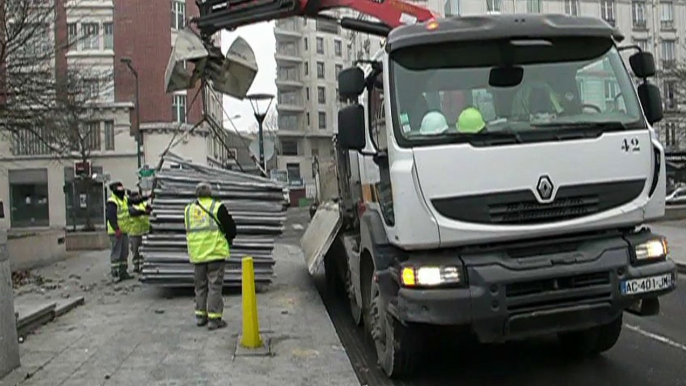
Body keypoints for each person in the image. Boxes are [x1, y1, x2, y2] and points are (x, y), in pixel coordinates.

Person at [184, 182, 237, 330]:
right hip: (215, 253)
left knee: (200, 287)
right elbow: (231, 228)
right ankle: (214, 319)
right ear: (210, 193)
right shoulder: (217, 207)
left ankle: (200, 317)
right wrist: (229, 238)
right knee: (214, 287)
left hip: (197, 255)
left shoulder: (188, 210)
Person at [105, 181, 150, 282]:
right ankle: (116, 273)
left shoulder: (124, 199)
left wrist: (147, 197)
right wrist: (116, 229)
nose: (122, 191)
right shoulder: (112, 201)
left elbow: (135, 201)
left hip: (124, 231)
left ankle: (123, 272)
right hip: (115, 231)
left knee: (124, 253)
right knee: (116, 253)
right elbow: (111, 216)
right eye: (120, 189)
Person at [128, 191, 152, 273]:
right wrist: (144, 212)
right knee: (135, 251)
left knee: (144, 251)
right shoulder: (130, 206)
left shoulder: (144, 204)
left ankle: (143, 266)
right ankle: (136, 266)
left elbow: (151, 209)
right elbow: (134, 213)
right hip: (134, 233)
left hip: (145, 231)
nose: (138, 198)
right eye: (136, 197)